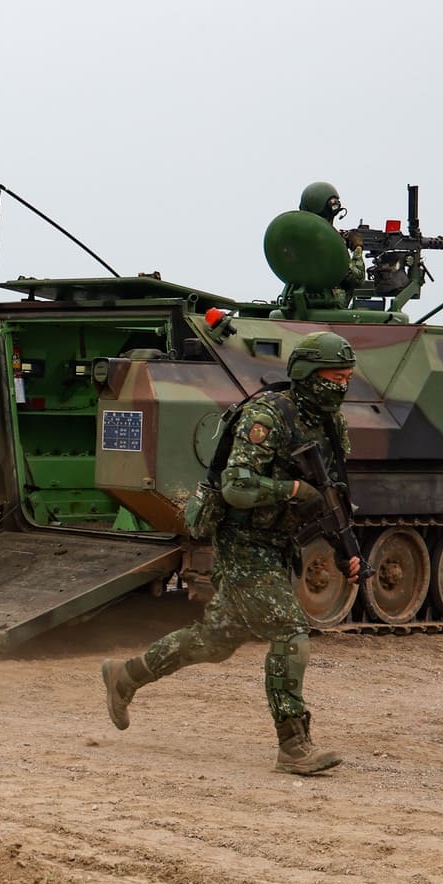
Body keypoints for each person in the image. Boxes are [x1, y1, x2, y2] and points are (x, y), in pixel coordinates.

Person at [99, 332, 363, 774]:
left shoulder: (330, 424)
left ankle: (126, 675)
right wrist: (295, 489)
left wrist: (343, 549)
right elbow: (236, 487)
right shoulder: (267, 417)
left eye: (348, 378)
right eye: (335, 377)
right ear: (308, 375)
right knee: (291, 632)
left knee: (214, 641)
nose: (342, 386)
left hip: (279, 542)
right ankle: (294, 744)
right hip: (243, 542)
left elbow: (331, 494)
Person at [299, 180, 366, 305]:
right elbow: (357, 278)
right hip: (329, 306)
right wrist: (358, 248)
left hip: (302, 302)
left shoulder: (299, 236)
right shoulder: (328, 242)